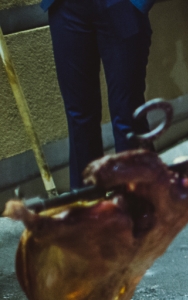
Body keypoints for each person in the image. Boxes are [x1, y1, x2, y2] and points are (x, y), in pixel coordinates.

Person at [41, 0, 154, 189]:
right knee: (79, 117)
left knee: (128, 113)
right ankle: (88, 206)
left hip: (122, 5)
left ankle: (138, 203)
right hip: (66, 8)